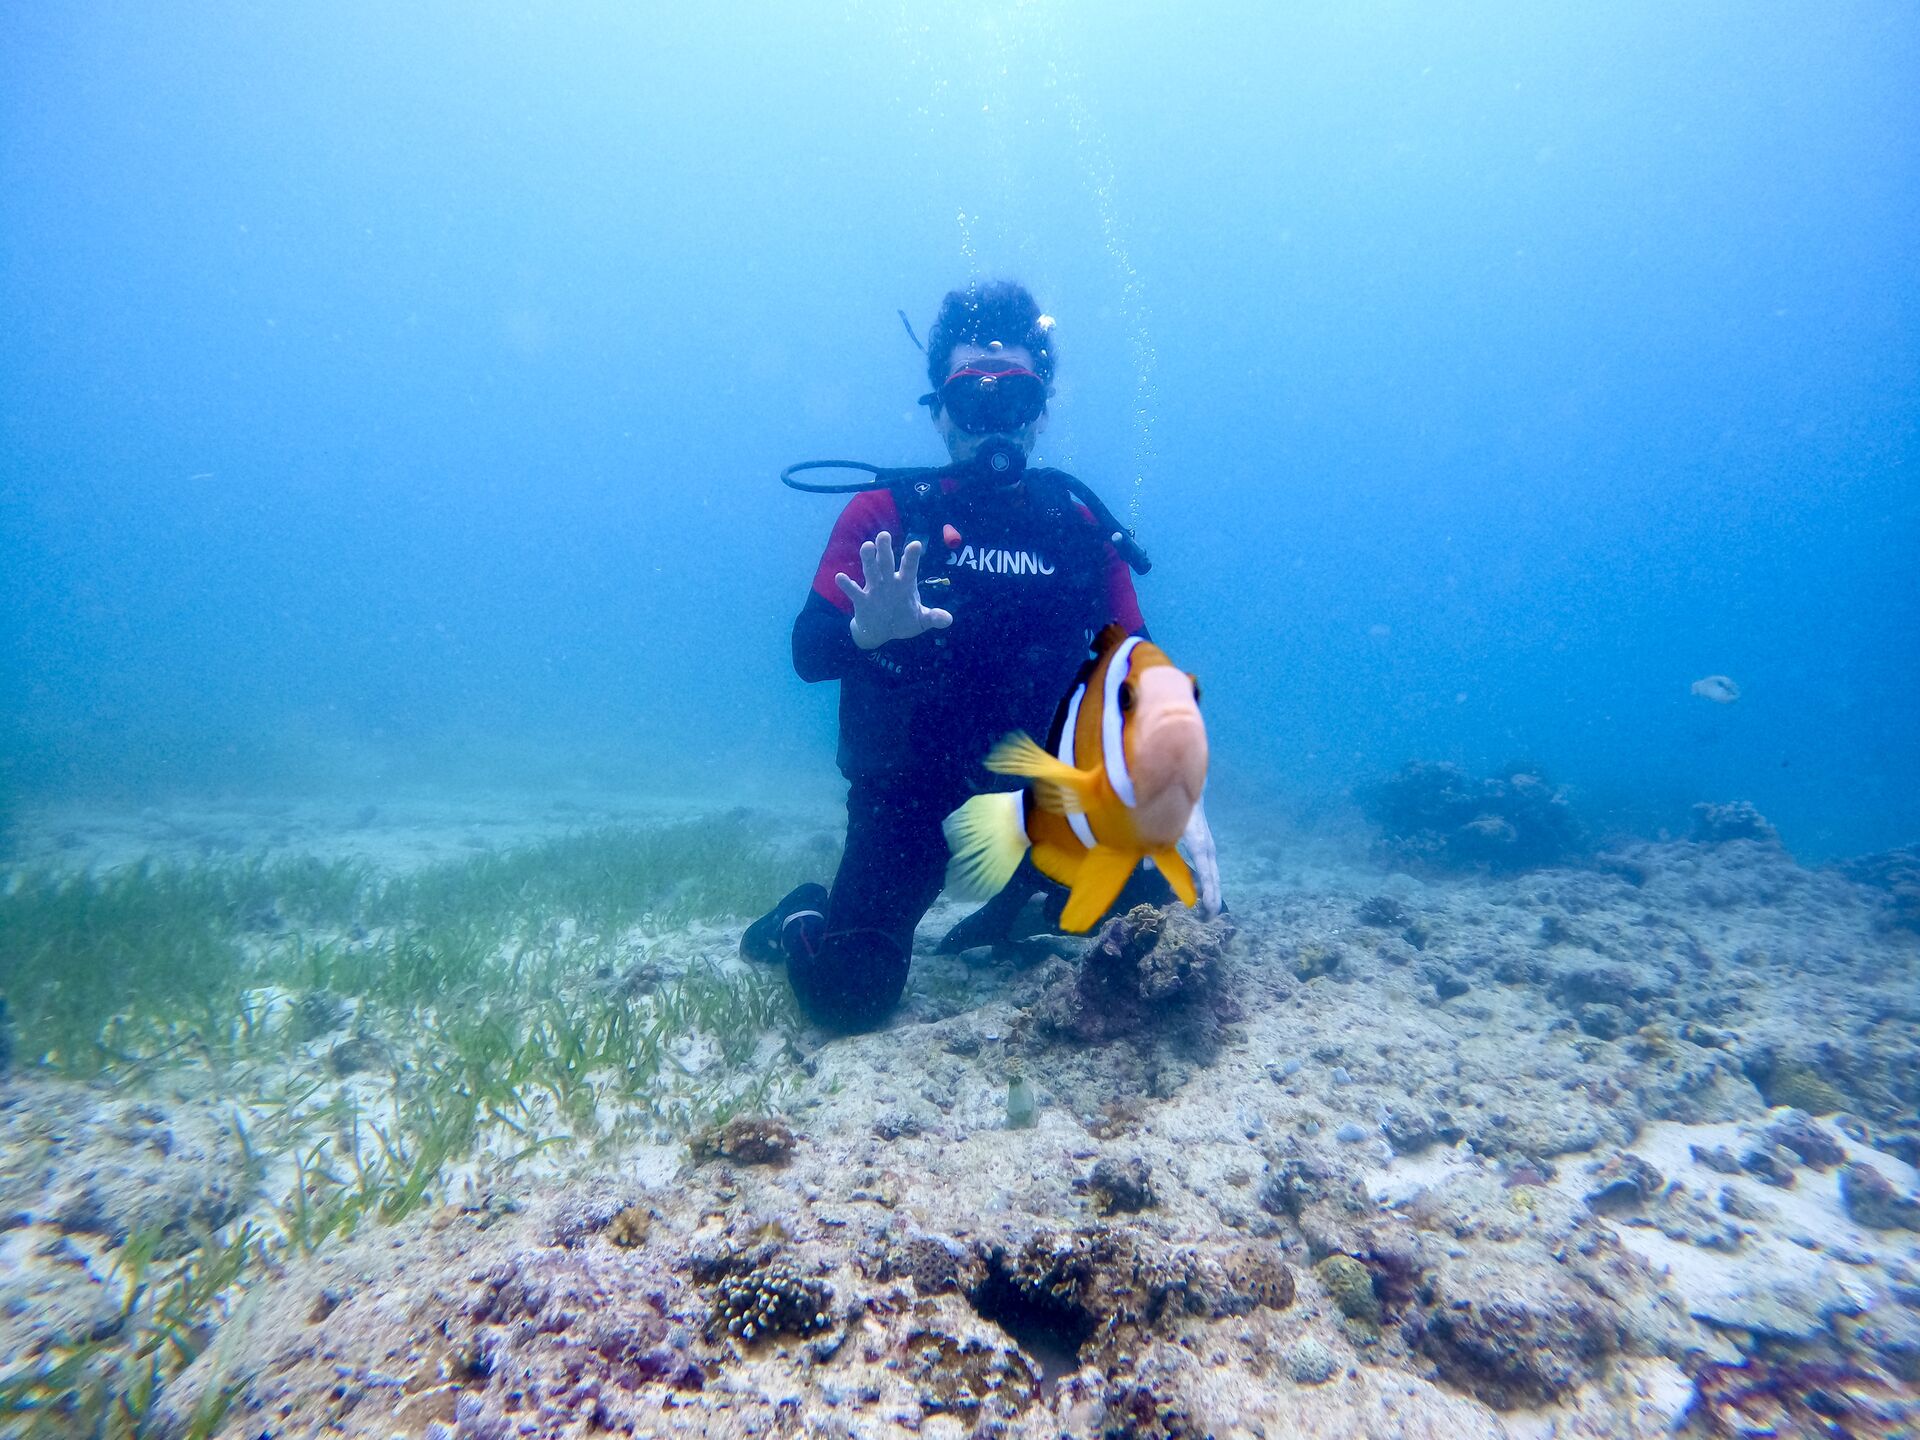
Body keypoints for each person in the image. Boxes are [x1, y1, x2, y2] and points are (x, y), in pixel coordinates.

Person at [743, 281, 1219, 1032]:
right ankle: (806, 911)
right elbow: (808, 653)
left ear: (1041, 412)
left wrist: (1174, 773)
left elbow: (1137, 669)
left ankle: (1027, 896)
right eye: (972, 399)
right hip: (906, 800)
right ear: (939, 411)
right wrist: (866, 633)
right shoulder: (886, 515)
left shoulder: (1079, 527)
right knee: (849, 996)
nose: (995, 421)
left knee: (1167, 924)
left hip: (1041, 799)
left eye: (1016, 397)